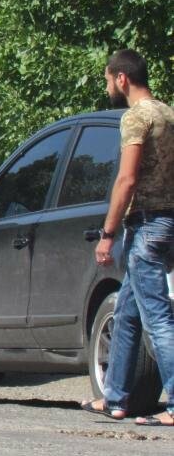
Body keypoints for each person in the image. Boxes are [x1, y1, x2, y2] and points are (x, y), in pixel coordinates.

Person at [83, 49, 174, 426]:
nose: (108, 86)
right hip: (167, 221)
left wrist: (107, 233)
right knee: (126, 312)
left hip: (147, 224)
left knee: (157, 317)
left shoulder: (135, 117)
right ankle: (115, 398)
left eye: (108, 79)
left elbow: (127, 179)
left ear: (122, 78)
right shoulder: (168, 113)